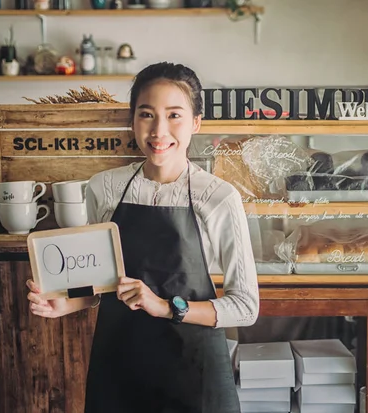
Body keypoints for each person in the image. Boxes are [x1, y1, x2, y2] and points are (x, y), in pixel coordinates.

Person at [26, 61, 260, 413]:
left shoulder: (218, 197)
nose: (158, 130)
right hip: (119, 370)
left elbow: (245, 307)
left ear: (196, 122)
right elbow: (97, 283)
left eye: (175, 115)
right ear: (132, 120)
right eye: (146, 114)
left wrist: (166, 307)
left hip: (194, 375)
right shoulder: (105, 188)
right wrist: (66, 303)